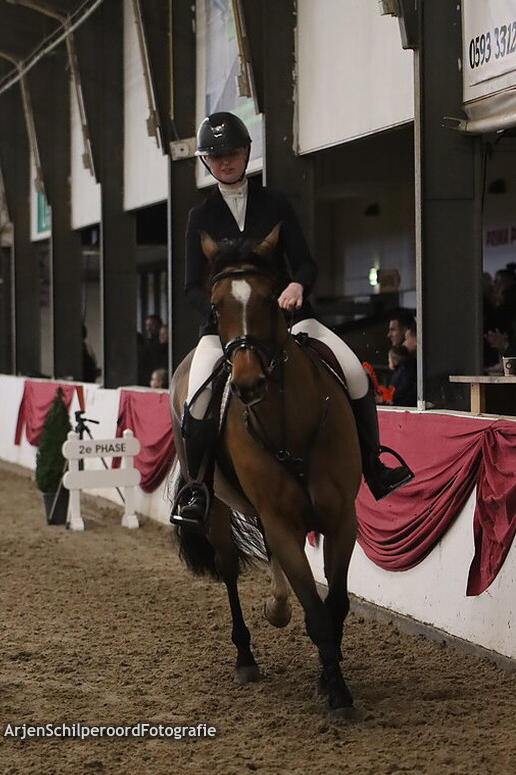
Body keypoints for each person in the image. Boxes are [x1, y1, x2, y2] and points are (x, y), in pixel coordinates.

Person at [176, 111, 414, 525]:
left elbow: (305, 262)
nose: (225, 162)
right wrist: (220, 314)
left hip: (289, 318)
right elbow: (190, 287)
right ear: (206, 162)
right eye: (216, 156)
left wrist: (298, 285)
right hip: (225, 331)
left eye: (232, 153)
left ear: (247, 153)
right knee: (196, 400)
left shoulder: (275, 202)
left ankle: (374, 465)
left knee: (354, 374)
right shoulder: (201, 216)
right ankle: (197, 489)